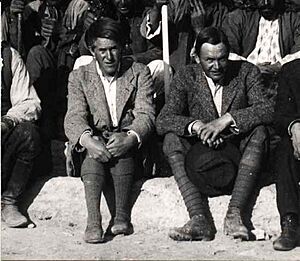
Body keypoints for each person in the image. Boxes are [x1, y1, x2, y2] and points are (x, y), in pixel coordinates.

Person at [156, 27, 274, 241]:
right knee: (171, 139)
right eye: (209, 60)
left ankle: (235, 214)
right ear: (196, 57)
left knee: (260, 132)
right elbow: (164, 119)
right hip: (200, 158)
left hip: (238, 155)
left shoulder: (246, 72)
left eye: (222, 58)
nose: (217, 66)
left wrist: (227, 119)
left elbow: (266, 109)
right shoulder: (186, 76)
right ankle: (198, 218)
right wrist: (196, 126)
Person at [64, 17, 155, 243]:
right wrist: (87, 140)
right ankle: (93, 222)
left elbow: (146, 114)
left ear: (122, 48)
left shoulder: (139, 72)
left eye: (114, 49)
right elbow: (74, 115)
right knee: (92, 160)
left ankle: (121, 216)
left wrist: (131, 137)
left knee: (122, 154)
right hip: (95, 141)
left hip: (127, 142)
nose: (109, 56)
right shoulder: (79, 76)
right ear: (93, 50)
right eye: (102, 50)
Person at [1, 41, 42, 228]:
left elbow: (29, 102)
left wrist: (7, 121)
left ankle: (8, 201)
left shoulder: (9, 57)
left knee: (28, 134)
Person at [222, 0, 300, 75]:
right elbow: (226, 52)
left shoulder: (294, 18)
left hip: (284, 75)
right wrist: (252, 68)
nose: (266, 2)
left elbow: (298, 52)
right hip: (245, 74)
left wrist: (280, 65)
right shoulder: (238, 17)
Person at [273, 59, 300, 251]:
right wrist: (295, 125)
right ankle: (290, 223)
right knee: (284, 147)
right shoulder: (292, 71)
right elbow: (280, 115)